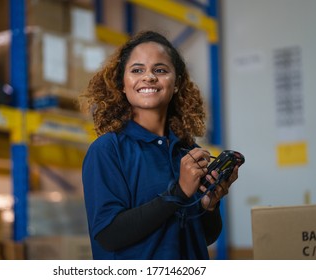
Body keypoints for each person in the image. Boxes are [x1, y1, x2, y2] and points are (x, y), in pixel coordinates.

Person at [79, 30, 239, 260]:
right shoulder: (107, 150)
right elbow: (108, 234)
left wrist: (209, 206)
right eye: (137, 70)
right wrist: (179, 192)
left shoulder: (188, 151)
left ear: (176, 83)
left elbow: (204, 236)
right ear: (122, 85)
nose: (149, 77)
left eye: (160, 70)